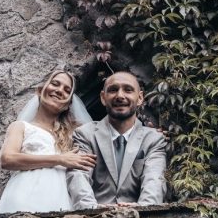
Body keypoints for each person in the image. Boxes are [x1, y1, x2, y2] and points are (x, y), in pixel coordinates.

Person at [0, 68, 96, 213]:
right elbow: (7, 159)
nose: (60, 90)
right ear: (40, 90)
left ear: (68, 104)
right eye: (55, 84)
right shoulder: (20, 127)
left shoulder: (75, 135)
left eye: (67, 90)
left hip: (62, 199)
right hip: (25, 196)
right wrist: (59, 159)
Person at [66, 71, 167, 209]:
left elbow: (154, 180)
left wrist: (142, 209)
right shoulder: (85, 134)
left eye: (128, 90)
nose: (120, 96)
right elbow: (78, 176)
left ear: (140, 98)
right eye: (113, 90)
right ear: (103, 97)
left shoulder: (154, 139)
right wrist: (92, 210)